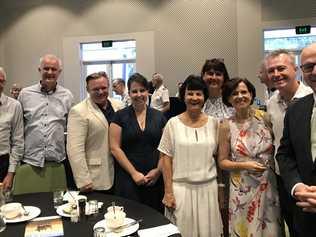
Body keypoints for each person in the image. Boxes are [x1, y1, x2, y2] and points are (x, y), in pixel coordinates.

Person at [159, 75, 223, 237]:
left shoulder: (215, 124)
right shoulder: (172, 124)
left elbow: (219, 159)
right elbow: (165, 159)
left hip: (208, 190)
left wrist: (221, 189)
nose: (194, 98)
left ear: (204, 97)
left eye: (199, 94)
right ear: (183, 96)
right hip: (180, 190)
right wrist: (168, 192)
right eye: (190, 93)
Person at [218, 77, 281, 237]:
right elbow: (222, 162)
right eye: (234, 93)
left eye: (244, 92)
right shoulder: (226, 125)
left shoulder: (265, 118)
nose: (240, 96)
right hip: (242, 189)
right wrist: (246, 165)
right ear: (228, 98)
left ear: (251, 94)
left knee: (271, 230)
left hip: (268, 185)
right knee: (245, 230)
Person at [265, 49, 312, 236]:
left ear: (295, 69)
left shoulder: (311, 97)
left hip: (309, 183)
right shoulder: (271, 102)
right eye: (271, 70)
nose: (276, 74)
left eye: (281, 68)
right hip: (282, 178)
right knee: (291, 227)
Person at [110, 73, 166, 212]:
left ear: (148, 92)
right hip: (127, 179)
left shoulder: (159, 116)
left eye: (142, 90)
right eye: (134, 91)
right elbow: (114, 148)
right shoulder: (119, 116)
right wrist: (134, 173)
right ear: (129, 93)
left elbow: (166, 149)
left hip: (154, 179)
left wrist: (158, 171)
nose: (139, 94)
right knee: (129, 219)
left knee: (154, 221)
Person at [67, 72, 124, 192]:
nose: (100, 92)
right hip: (96, 176)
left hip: (120, 171)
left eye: (103, 88)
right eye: (95, 89)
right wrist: (83, 180)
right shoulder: (79, 111)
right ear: (88, 90)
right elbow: (74, 149)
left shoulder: (119, 105)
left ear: (108, 86)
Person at [18, 54, 74, 168]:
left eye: (53, 69)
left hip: (57, 160)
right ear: (39, 70)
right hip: (30, 159)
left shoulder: (67, 96)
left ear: (59, 72)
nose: (49, 72)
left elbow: (72, 128)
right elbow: (18, 129)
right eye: (46, 68)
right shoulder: (25, 94)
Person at [201, 58, 234, 237]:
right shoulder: (197, 98)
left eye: (218, 74)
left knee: (229, 210)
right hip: (205, 165)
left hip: (231, 165)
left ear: (224, 77)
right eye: (209, 73)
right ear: (203, 75)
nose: (213, 77)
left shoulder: (232, 99)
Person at [0, 67, 24, 191]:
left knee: (6, 205)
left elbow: (18, 141)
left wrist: (11, 173)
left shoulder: (14, 106)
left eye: (1, 80)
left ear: (4, 82)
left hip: (3, 164)